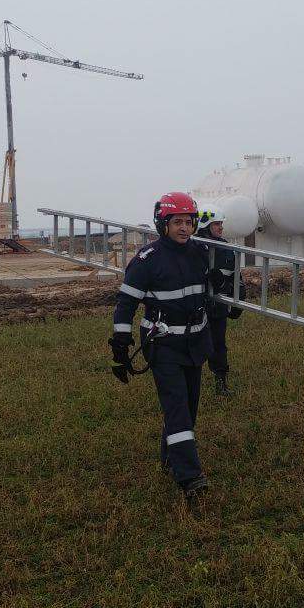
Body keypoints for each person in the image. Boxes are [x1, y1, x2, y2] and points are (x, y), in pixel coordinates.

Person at [109, 192, 213, 502]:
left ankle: (170, 457)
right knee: (177, 408)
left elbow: (209, 290)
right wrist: (120, 342)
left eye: (189, 222)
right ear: (163, 224)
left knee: (188, 408)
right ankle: (190, 477)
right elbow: (126, 302)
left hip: (195, 343)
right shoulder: (148, 260)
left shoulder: (200, 253)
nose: (184, 228)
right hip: (163, 345)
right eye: (177, 222)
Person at [196, 206, 246, 396]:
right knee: (194, 344)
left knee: (218, 344)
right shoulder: (193, 248)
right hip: (196, 307)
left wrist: (238, 301)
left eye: (221, 224)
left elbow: (236, 277)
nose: (221, 227)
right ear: (205, 225)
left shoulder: (226, 248)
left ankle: (221, 382)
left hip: (218, 306)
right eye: (216, 224)